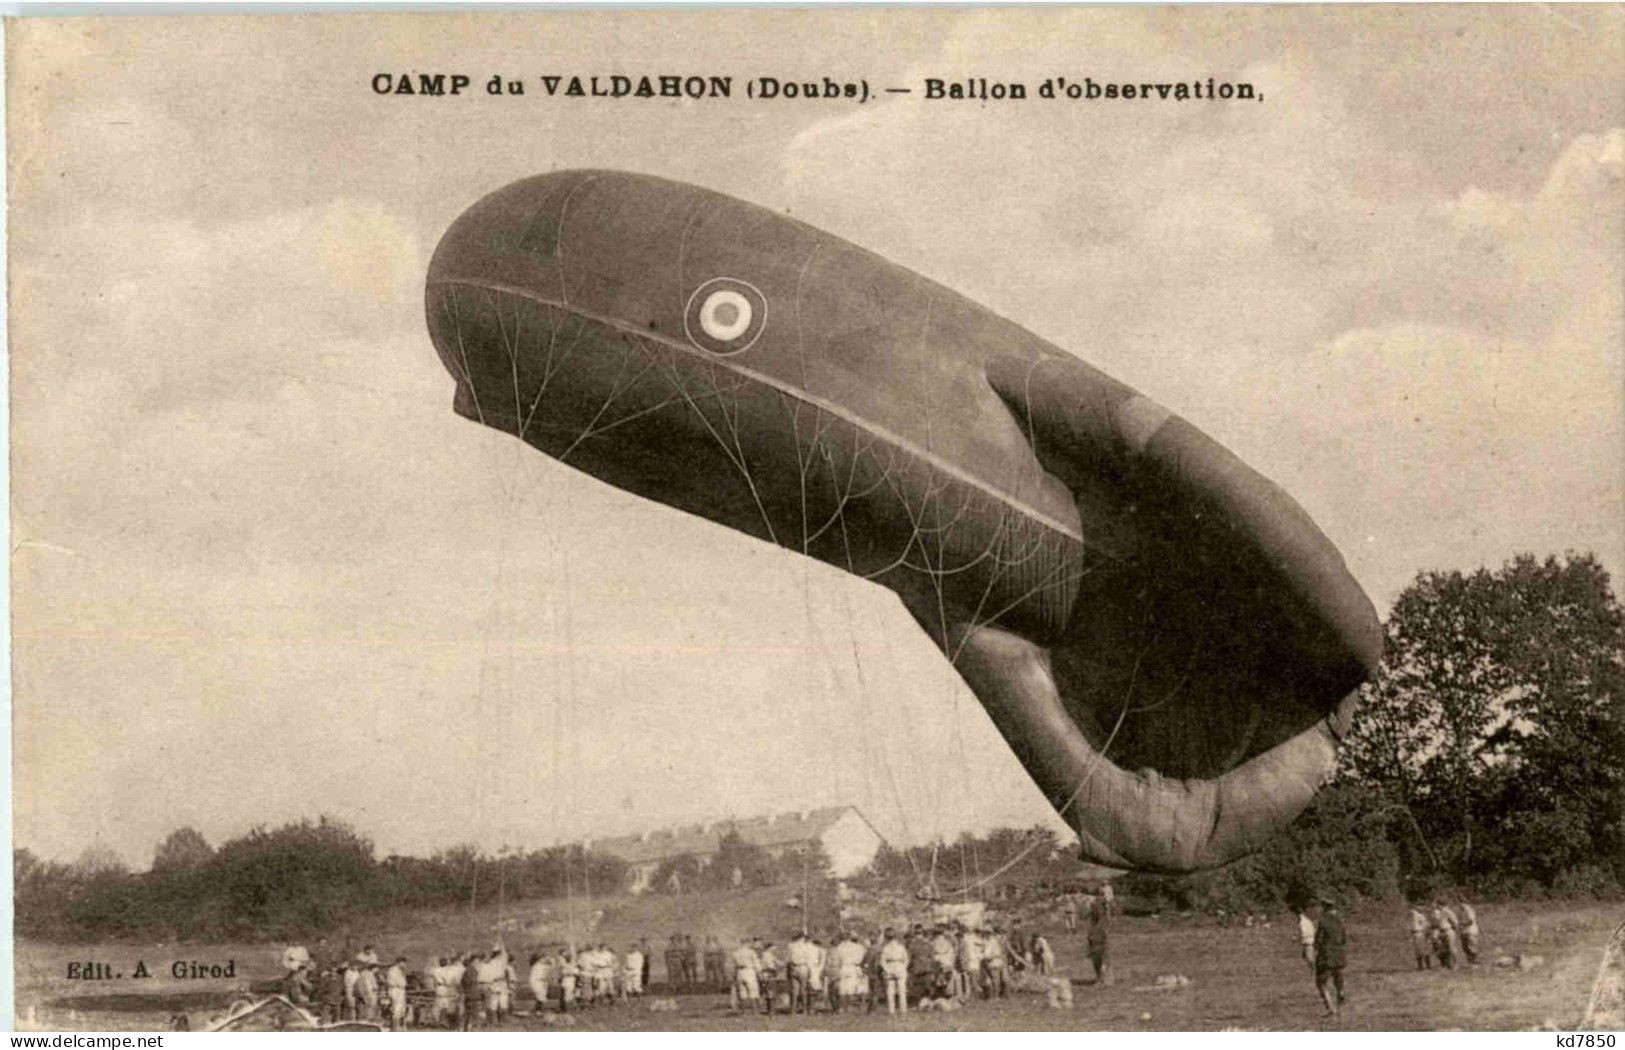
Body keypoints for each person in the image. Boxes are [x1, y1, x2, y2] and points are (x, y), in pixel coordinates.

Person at [1313, 896, 1348, 1019]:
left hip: (1327, 956)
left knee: (1321, 982)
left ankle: (1330, 1008)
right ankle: (1341, 996)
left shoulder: (1323, 921)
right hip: (1340, 955)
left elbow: (1318, 941)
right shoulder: (1340, 921)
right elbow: (1344, 939)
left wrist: (1317, 948)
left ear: (1325, 908)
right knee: (1338, 980)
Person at [880, 928, 910, 1014]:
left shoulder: (899, 947)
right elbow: (883, 961)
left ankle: (899, 1009)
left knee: (897, 990)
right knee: (894, 990)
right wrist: (888, 970)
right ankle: (895, 1010)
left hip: (897, 966)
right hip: (893, 967)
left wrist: (902, 968)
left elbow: (906, 959)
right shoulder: (887, 947)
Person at [787, 930, 814, 1013]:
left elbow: (788, 958)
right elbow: (809, 959)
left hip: (793, 968)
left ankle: (793, 1009)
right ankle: (804, 1009)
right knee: (803, 990)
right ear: (802, 938)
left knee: (794, 990)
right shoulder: (807, 946)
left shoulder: (790, 946)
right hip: (803, 967)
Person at [731, 937, 761, 1011]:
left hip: (740, 972)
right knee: (753, 991)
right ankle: (755, 1011)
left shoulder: (736, 952)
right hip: (749, 971)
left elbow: (734, 965)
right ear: (747, 943)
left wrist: (734, 975)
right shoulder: (751, 952)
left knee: (742, 993)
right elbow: (757, 964)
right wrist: (759, 972)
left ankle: (743, 1012)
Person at [1430, 899, 1460, 970]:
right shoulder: (1437, 912)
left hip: (1447, 930)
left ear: (1440, 904)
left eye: (1437, 904)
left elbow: (1455, 921)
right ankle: (1446, 964)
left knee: (1451, 947)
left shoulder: (1447, 911)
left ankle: (1456, 963)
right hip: (1441, 931)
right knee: (1442, 948)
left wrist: (1455, 929)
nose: (1436, 906)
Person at [1087, 899, 1111, 986]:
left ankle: (1102, 980)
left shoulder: (1102, 923)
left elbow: (1105, 937)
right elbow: (1089, 937)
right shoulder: (1093, 924)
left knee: (1101, 964)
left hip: (1100, 945)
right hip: (1095, 945)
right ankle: (1100, 979)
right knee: (1097, 964)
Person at [459, 953, 483, 1030]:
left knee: (470, 1015)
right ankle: (470, 1029)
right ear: (473, 961)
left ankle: (469, 1028)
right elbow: (467, 983)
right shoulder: (471, 971)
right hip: (472, 995)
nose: (479, 963)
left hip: (472, 995)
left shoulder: (472, 970)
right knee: (473, 1015)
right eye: (477, 962)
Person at [385, 957, 409, 1030]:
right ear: (399, 962)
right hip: (395, 990)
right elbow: (396, 982)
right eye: (404, 963)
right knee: (396, 1010)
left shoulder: (400, 970)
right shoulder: (393, 970)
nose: (405, 965)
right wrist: (401, 984)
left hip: (400, 990)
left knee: (402, 1010)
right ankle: (395, 1028)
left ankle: (399, 1027)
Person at [1408, 904, 1432, 970]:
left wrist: (1426, 934)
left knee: (1424, 949)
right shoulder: (1413, 916)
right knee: (1417, 950)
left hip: (1420, 933)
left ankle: (1428, 966)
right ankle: (1420, 966)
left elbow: (1426, 925)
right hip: (1414, 933)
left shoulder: (1420, 916)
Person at [1458, 900, 1481, 964]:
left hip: (1470, 930)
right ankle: (1470, 960)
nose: (1460, 905)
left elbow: (1471, 921)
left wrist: (1463, 925)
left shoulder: (1469, 910)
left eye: (1461, 903)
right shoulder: (1461, 911)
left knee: (1471, 946)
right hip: (1463, 931)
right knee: (1464, 947)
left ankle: (1475, 960)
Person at [1298, 908, 1318, 975]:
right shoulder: (1309, 921)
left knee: (1309, 958)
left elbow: (1303, 933)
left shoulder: (1302, 923)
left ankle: (1314, 970)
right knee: (1306, 956)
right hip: (1310, 941)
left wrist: (1299, 937)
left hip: (1307, 942)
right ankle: (1312, 970)